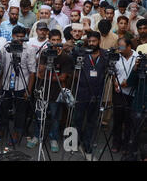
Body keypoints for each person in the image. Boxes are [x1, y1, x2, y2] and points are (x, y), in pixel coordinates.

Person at [27, 29, 73, 152]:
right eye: (53, 40)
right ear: (49, 40)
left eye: (58, 40)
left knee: (55, 117)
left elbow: (63, 77)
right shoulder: (44, 53)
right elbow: (40, 74)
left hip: (56, 93)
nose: (56, 42)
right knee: (39, 116)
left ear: (61, 40)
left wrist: (49, 75)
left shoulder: (65, 57)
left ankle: (53, 138)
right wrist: (48, 62)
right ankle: (37, 136)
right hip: (43, 90)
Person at [72, 31, 108, 161]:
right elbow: (72, 67)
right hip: (82, 91)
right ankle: (74, 142)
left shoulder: (105, 55)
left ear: (99, 41)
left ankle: (87, 144)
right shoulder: (81, 52)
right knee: (78, 118)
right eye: (90, 41)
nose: (92, 44)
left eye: (94, 41)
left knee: (92, 121)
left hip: (97, 92)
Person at [0, 26, 36, 146]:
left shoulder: (29, 49)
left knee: (20, 111)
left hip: (21, 85)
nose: (19, 39)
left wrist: (28, 90)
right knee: (3, 108)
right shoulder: (6, 48)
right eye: (17, 36)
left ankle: (17, 132)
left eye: (22, 37)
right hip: (6, 84)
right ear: (12, 36)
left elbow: (32, 72)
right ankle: (2, 128)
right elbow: (2, 66)